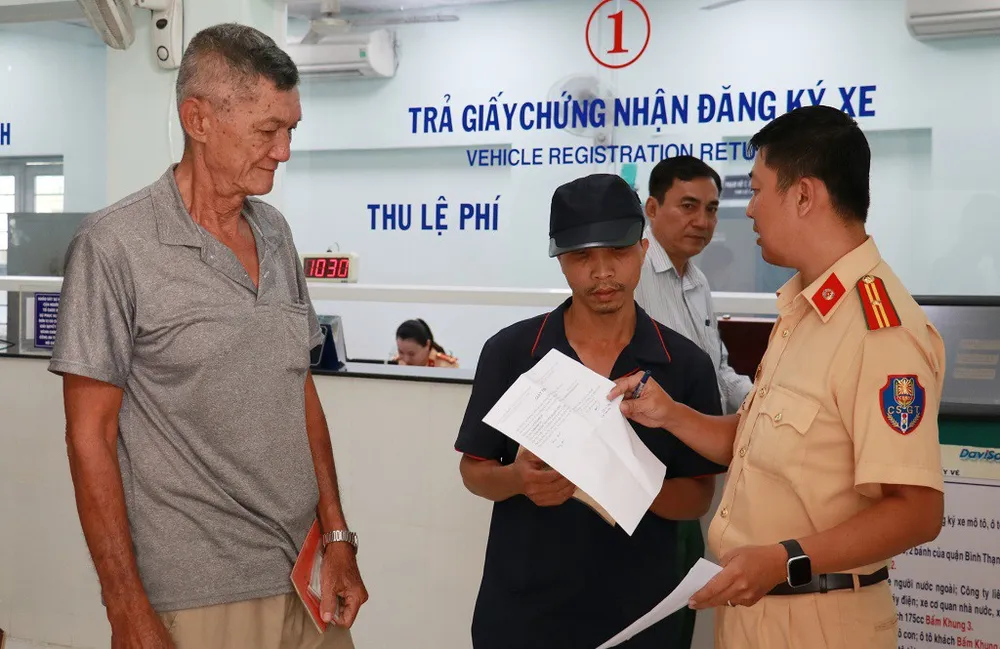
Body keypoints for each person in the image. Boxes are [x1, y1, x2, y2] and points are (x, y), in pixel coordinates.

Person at [48, 24, 367, 649]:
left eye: (291, 130)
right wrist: (125, 608)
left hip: (303, 577)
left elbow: (299, 393)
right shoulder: (113, 247)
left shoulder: (275, 233)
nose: (284, 151)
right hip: (196, 596)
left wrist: (337, 536)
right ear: (199, 120)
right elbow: (90, 440)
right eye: (267, 130)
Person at [609, 105, 946, 649]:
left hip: (819, 621)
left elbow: (917, 512)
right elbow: (754, 441)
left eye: (758, 190)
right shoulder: (805, 311)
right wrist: (670, 414)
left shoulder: (878, 331)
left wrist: (785, 559)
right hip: (755, 612)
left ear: (804, 195)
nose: (749, 210)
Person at [454, 173, 728, 649]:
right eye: (582, 257)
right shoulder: (512, 351)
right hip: (524, 614)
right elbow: (474, 470)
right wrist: (518, 478)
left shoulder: (684, 363)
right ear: (561, 261)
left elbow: (697, 497)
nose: (602, 273)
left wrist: (621, 484)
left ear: (643, 250)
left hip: (641, 614)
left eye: (618, 252)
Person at [634, 156, 755, 649]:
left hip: (694, 473)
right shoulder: (631, 275)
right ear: (652, 208)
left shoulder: (697, 282)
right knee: (642, 616)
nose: (702, 221)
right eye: (687, 206)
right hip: (645, 478)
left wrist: (761, 404)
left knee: (676, 613)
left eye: (711, 208)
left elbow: (717, 369)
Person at [394, 318, 459, 368]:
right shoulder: (394, 365)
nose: (406, 360)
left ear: (427, 345)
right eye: (401, 352)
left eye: (411, 354)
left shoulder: (446, 367)